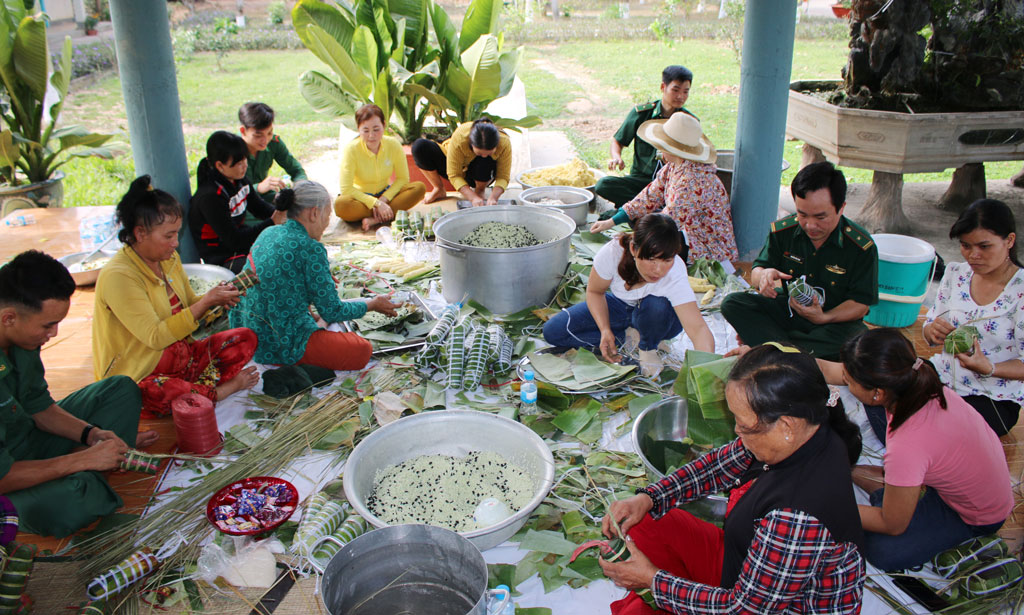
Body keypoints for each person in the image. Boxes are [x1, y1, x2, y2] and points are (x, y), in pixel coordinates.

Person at [599, 345, 865, 614]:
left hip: (768, 605)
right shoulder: (804, 426)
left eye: (744, 425)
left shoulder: (796, 516)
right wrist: (650, 497)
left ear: (786, 426)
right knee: (643, 518)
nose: (737, 431)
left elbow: (743, 609)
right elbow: (718, 466)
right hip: (747, 564)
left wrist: (652, 580)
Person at [0, 251, 160, 537]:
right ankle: (84, 473)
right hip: (7, 474)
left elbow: (38, 406)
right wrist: (80, 460)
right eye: (48, 325)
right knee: (74, 500)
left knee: (120, 389)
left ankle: (90, 465)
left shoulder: (21, 334)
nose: (55, 332)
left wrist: (91, 435)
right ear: (9, 318)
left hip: (24, 433)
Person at [827, 328, 1012, 572]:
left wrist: (824, 508)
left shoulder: (907, 445)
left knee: (881, 550)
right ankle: (892, 489)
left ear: (878, 393)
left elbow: (893, 524)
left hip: (976, 515)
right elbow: (833, 371)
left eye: (849, 381)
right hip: (976, 484)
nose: (845, 382)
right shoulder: (923, 385)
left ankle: (891, 492)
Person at [94, 176, 260, 416]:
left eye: (177, 234)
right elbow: (155, 337)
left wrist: (218, 300)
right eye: (169, 236)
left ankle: (193, 392)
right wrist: (206, 301)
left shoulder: (168, 259)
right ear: (140, 233)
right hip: (142, 376)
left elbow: (190, 304)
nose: (176, 243)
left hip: (184, 359)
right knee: (160, 390)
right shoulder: (119, 276)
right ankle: (218, 392)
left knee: (244, 338)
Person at [230, 181, 401, 370]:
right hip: (280, 341)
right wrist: (372, 304)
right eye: (327, 215)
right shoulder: (311, 248)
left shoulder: (269, 232)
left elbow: (254, 281)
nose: (327, 223)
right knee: (361, 350)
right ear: (314, 213)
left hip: (249, 328)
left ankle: (316, 324)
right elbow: (332, 311)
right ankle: (312, 334)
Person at [720, 161, 878, 360]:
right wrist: (763, 277)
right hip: (790, 312)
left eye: (821, 217)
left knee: (859, 342)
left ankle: (775, 351)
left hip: (833, 323)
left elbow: (860, 305)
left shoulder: (860, 247)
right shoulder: (783, 231)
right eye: (802, 214)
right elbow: (759, 269)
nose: (810, 225)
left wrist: (824, 317)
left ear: (841, 208)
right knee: (733, 304)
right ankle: (793, 354)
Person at [543, 214, 714, 377]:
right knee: (553, 332)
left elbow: (698, 329)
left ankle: (648, 347)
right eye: (651, 260)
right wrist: (605, 330)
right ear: (633, 248)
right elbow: (595, 292)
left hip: (661, 320)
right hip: (620, 306)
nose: (659, 270)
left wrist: (702, 374)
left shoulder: (675, 272)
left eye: (667, 260)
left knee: (656, 304)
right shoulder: (612, 253)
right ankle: (628, 337)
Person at [922, 199, 1023, 436]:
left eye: (984, 246)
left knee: (940, 425)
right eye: (966, 246)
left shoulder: (1020, 291)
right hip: (943, 376)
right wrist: (932, 330)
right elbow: (929, 327)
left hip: (991, 397)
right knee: (886, 382)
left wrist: (989, 367)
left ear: (1009, 240)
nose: (973, 255)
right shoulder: (956, 273)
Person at [590, 113, 737, 263]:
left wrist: (632, 240)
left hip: (711, 248)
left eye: (662, 146)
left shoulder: (693, 181)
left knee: (653, 247)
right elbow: (648, 197)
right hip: (689, 233)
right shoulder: (675, 166)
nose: (659, 150)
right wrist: (612, 221)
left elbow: (666, 223)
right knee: (645, 227)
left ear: (674, 150)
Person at [594, 65, 697, 208]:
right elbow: (618, 141)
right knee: (603, 185)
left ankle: (640, 208)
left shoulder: (688, 121)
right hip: (641, 181)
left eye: (686, 92)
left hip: (671, 183)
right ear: (663, 87)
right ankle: (650, 207)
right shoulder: (642, 114)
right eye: (676, 90)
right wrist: (616, 157)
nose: (681, 96)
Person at [190, 130, 287, 273]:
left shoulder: (238, 179)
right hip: (222, 256)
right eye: (238, 163)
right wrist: (273, 222)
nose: (244, 166)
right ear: (219, 166)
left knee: (286, 251)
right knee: (269, 269)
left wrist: (284, 213)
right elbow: (234, 240)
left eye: (244, 159)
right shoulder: (210, 197)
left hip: (239, 245)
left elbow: (258, 207)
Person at [333, 103, 427, 231]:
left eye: (376, 129)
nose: (371, 136)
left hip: (386, 195)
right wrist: (375, 204)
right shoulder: (351, 150)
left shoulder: (393, 145)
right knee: (341, 205)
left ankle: (376, 219)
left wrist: (383, 200)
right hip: (361, 200)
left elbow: (402, 179)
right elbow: (346, 189)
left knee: (419, 188)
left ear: (384, 125)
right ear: (358, 129)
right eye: (365, 131)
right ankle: (387, 214)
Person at [411, 118, 511, 206]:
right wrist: (471, 198)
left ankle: (480, 191)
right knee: (419, 146)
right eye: (479, 152)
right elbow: (454, 175)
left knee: (484, 160)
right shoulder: (461, 136)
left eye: (489, 153)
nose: (484, 155)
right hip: (459, 168)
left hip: (482, 173)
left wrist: (494, 197)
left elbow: (503, 177)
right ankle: (439, 189)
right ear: (471, 143)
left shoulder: (504, 143)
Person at [238, 102, 307, 202]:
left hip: (264, 199)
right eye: (258, 135)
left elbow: (297, 170)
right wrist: (258, 188)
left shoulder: (274, 143)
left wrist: (300, 187)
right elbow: (230, 191)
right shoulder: (231, 150)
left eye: (269, 133)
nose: (265, 140)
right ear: (243, 131)